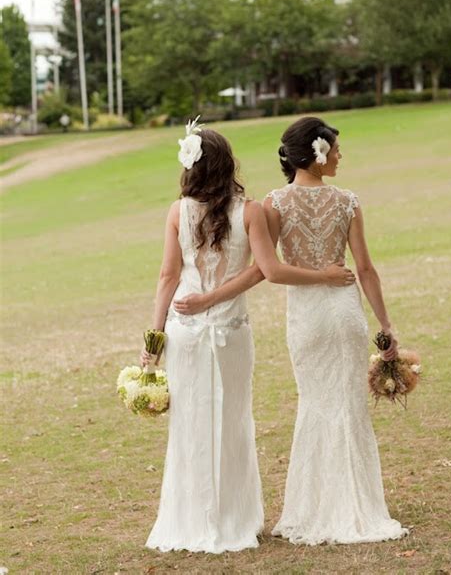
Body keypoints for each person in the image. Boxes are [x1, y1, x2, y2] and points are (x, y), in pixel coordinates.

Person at [175, 116, 408, 545]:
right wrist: (386, 325)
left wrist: (209, 296)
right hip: (344, 310)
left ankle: (311, 509)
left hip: (306, 317)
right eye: (335, 149)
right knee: (348, 406)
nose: (340, 155)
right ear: (318, 154)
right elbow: (366, 269)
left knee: (315, 403)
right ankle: (358, 507)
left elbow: (268, 270)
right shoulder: (347, 201)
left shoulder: (274, 204)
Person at [142, 119, 355, 554]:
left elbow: (167, 276)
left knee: (190, 427)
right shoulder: (250, 210)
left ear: (191, 166)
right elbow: (261, 269)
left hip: (185, 330)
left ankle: (189, 521)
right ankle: (235, 521)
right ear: (228, 164)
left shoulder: (177, 210)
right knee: (234, 423)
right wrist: (215, 300)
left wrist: (154, 339)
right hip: (230, 332)